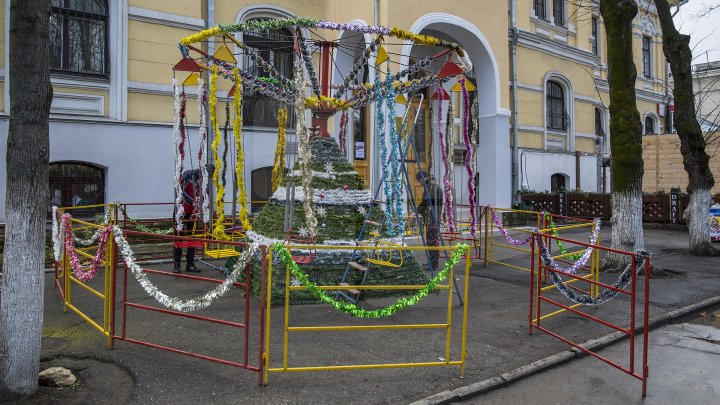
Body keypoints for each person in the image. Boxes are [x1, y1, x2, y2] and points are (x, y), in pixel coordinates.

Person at [173, 164, 214, 273]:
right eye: (206, 176)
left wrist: (207, 207)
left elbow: (206, 196)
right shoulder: (187, 175)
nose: (207, 179)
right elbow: (180, 191)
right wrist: (192, 201)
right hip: (181, 210)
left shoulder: (205, 181)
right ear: (202, 171)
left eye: (209, 177)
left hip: (193, 212)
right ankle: (176, 264)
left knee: (193, 238)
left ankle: (190, 264)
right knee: (178, 238)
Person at [416, 171, 443, 271]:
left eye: (419, 181)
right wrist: (416, 211)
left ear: (423, 179)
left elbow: (426, 202)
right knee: (431, 241)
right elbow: (425, 203)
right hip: (431, 218)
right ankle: (431, 262)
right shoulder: (430, 187)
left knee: (432, 242)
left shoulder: (432, 188)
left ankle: (433, 264)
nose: (419, 183)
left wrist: (417, 211)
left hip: (432, 219)